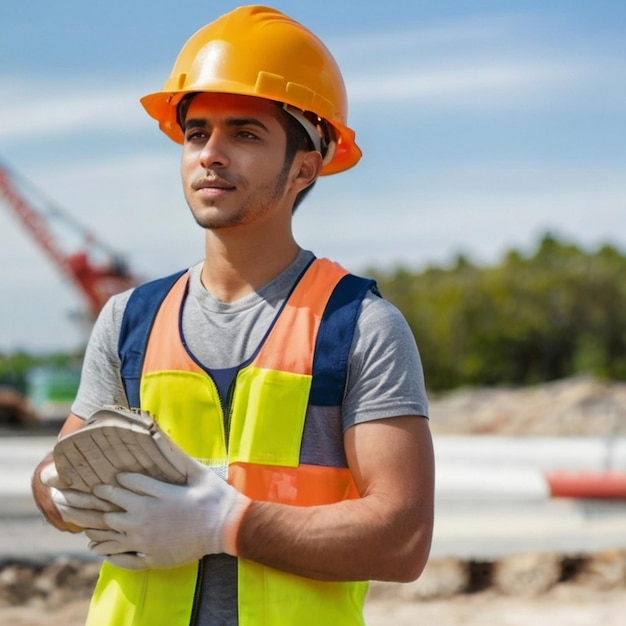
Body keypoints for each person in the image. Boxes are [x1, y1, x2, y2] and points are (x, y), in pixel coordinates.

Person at [31, 5, 435, 625]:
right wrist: (59, 489)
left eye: (245, 134)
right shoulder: (129, 319)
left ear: (306, 165)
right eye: (197, 134)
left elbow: (402, 539)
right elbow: (58, 476)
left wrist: (227, 524)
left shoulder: (359, 326)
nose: (210, 155)